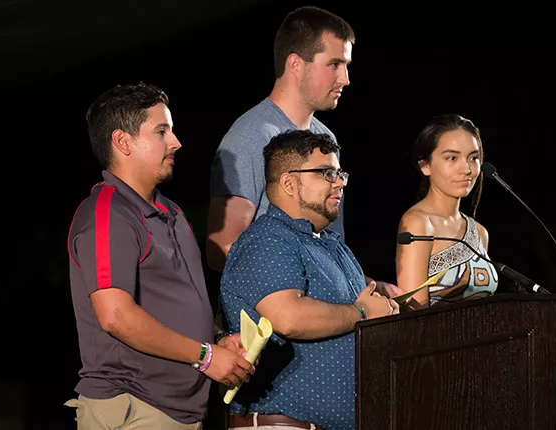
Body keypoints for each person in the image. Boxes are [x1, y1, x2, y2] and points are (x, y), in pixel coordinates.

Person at [65, 82, 255, 429]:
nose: (176, 142)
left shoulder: (172, 212)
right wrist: (206, 356)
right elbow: (116, 316)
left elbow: (175, 304)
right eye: (161, 131)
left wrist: (216, 340)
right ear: (122, 142)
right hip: (133, 407)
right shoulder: (108, 213)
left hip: (176, 412)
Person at [220, 130, 398, 430]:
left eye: (340, 173)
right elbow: (288, 317)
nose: (339, 183)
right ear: (289, 182)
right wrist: (363, 313)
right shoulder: (268, 240)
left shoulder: (332, 245)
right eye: (326, 173)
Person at [206, 5, 354, 272]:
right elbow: (223, 248)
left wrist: (360, 284)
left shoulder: (327, 138)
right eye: (334, 64)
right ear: (296, 64)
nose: (345, 78)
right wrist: (288, 297)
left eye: (345, 65)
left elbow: (329, 247)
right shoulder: (250, 135)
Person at [395, 114, 499, 311]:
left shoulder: (479, 232)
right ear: (425, 166)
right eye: (452, 158)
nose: (466, 169)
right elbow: (414, 313)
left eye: (474, 158)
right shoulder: (418, 223)